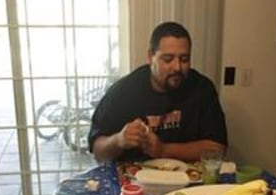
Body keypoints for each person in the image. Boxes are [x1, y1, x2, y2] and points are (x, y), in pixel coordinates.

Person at [88, 21, 227, 162]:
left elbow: (217, 149)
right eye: (168, 59)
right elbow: (98, 152)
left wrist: (163, 150)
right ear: (150, 57)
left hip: (187, 178)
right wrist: (118, 140)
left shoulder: (202, 88)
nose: (177, 67)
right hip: (134, 180)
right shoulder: (124, 91)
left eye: (184, 59)